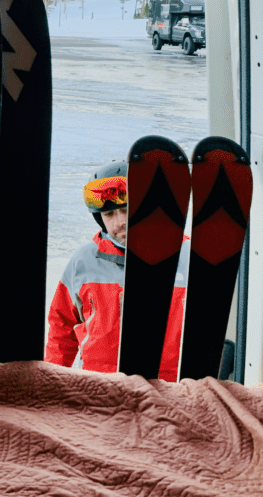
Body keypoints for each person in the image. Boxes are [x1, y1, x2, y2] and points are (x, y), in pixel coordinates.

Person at [45, 160, 189, 381]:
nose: (119, 222)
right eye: (109, 214)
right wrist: (50, 382)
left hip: (164, 385)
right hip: (98, 384)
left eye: (125, 210)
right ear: (99, 218)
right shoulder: (83, 260)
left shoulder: (187, 256)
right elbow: (61, 328)